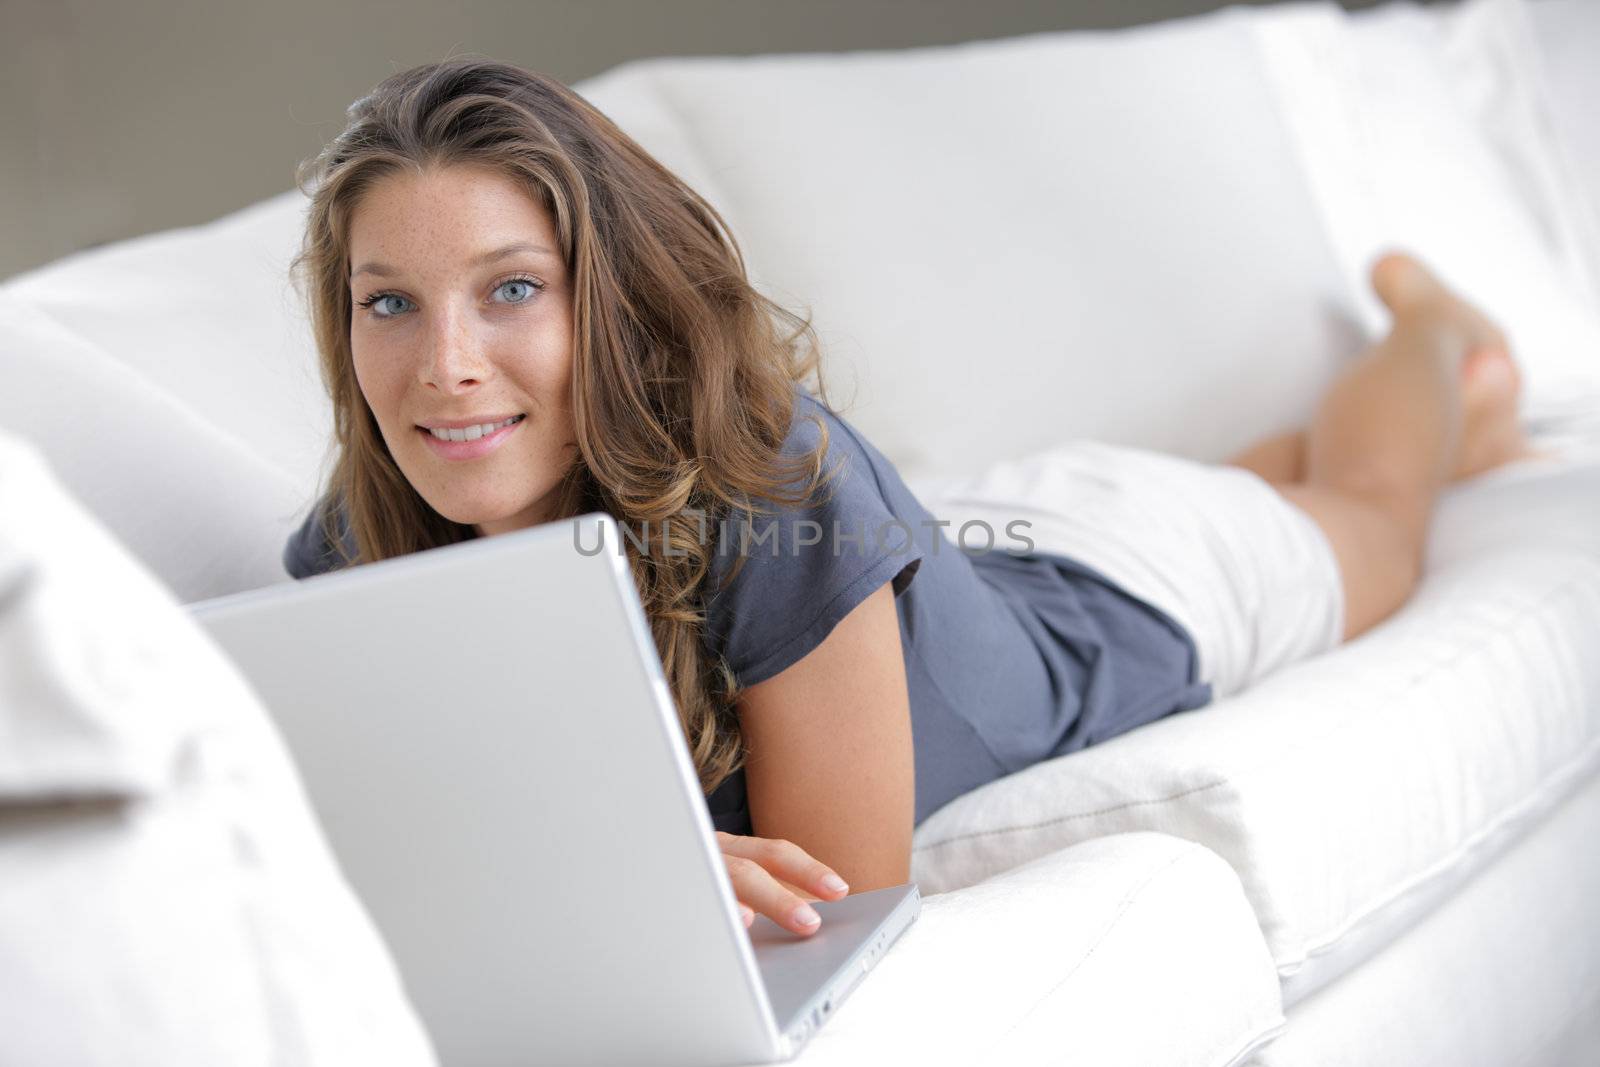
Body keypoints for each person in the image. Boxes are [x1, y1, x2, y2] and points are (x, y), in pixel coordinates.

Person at [281, 57, 1544, 940]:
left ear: (614, 301)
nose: (441, 365)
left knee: (1375, 506)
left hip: (1127, 580)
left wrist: (585, 871)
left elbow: (839, 906)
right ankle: (1396, 426)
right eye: (389, 300)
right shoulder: (365, 542)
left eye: (511, 288)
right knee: (1235, 483)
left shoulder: (777, 491)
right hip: (956, 540)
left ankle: (1441, 341)